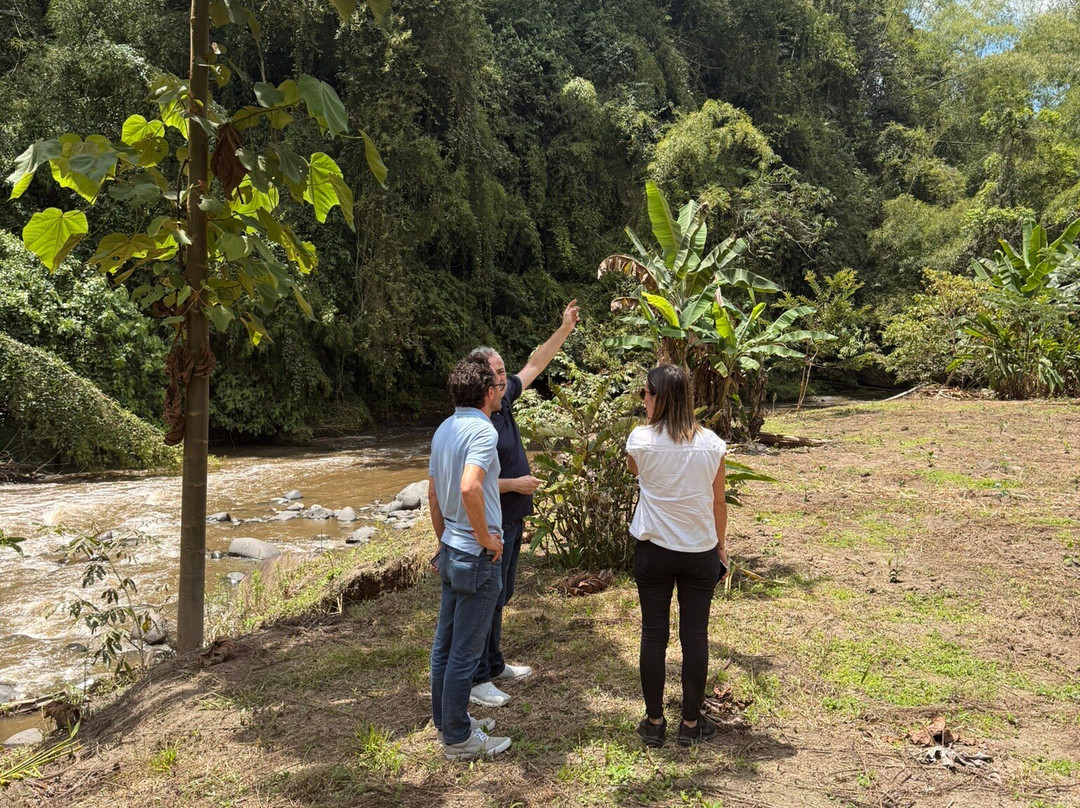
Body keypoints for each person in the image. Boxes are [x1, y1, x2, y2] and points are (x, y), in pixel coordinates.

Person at [467, 299, 580, 708]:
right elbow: (470, 485)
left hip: (513, 517)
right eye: (496, 373)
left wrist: (564, 328)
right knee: (488, 598)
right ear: (482, 381)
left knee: (503, 593)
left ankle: (494, 663)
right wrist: (515, 483)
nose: (504, 377)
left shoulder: (503, 399)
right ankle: (478, 677)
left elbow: (535, 364)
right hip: (495, 519)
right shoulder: (477, 420)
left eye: (502, 371)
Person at [626, 364, 728, 748]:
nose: (643, 401)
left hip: (653, 551)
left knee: (654, 635)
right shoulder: (713, 444)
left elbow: (636, 471)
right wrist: (721, 547)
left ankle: (654, 724)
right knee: (695, 637)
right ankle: (689, 724)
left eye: (645, 394)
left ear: (659, 397)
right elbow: (718, 501)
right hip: (699, 551)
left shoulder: (639, 440)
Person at [428, 355, 513, 760]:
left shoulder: (445, 429)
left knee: (445, 646)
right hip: (477, 556)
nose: (502, 389)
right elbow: (468, 488)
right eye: (497, 385)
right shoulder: (483, 432)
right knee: (465, 651)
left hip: (451, 552)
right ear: (486, 393)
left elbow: (432, 494)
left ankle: (448, 722)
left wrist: (446, 541)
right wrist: (486, 540)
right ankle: (459, 740)